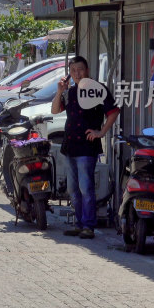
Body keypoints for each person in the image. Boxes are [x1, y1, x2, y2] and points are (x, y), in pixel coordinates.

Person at [51, 56, 119, 240]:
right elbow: (55, 110)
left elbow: (113, 112)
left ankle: (88, 226)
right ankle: (79, 223)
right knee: (73, 188)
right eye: (73, 71)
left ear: (87, 70)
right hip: (70, 145)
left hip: (87, 147)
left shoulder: (98, 90)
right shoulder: (71, 92)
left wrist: (101, 132)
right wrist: (60, 91)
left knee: (85, 187)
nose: (77, 74)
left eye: (80, 70)